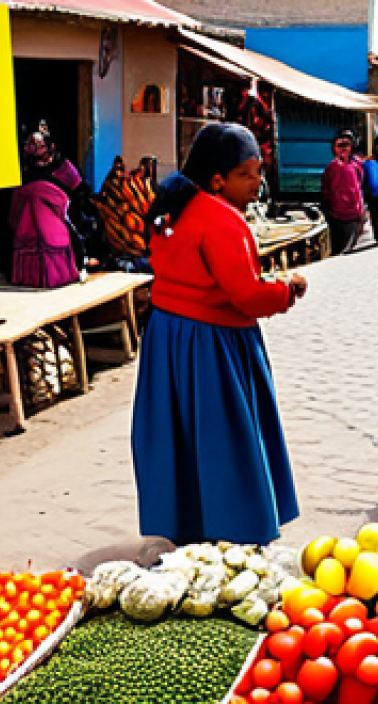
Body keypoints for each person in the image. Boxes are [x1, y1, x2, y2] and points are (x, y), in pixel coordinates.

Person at [132, 123, 305, 544]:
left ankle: (185, 523)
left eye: (260, 171)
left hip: (168, 337)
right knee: (223, 435)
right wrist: (286, 291)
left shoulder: (170, 210)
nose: (258, 181)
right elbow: (246, 294)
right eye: (248, 173)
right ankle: (236, 527)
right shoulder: (223, 221)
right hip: (214, 343)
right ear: (218, 179)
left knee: (179, 434)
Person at [9, 129, 82, 288]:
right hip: (30, 219)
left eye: (39, 145)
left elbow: (77, 187)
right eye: (32, 145)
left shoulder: (61, 167)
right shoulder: (25, 170)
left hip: (56, 215)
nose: (35, 149)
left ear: (50, 146)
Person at [321, 130, 364, 255]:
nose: (343, 149)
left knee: (349, 252)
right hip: (336, 217)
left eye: (347, 145)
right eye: (340, 145)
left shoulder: (357, 166)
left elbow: (359, 188)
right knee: (337, 251)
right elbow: (325, 191)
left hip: (353, 216)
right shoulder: (331, 168)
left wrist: (361, 212)